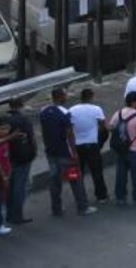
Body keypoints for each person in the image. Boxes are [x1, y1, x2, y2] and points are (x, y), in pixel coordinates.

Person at [40, 88, 95, 217]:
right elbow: (69, 134)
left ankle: (56, 208)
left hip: (51, 152)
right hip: (65, 154)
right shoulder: (65, 113)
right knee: (74, 179)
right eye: (65, 95)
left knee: (55, 181)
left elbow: (43, 132)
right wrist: (74, 153)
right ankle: (82, 207)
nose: (66, 97)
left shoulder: (44, 111)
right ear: (61, 97)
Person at [109, 91, 136, 206]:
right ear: (134, 102)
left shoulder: (118, 113)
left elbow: (111, 127)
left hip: (121, 150)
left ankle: (120, 197)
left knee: (121, 174)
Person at [69, 88, 109, 204]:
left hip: (77, 145)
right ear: (91, 97)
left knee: (77, 172)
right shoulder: (96, 109)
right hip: (92, 144)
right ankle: (101, 195)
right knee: (97, 172)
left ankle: (80, 197)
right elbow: (103, 127)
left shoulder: (72, 110)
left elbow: (69, 127)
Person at [5, 98, 36, 226]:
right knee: (20, 186)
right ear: (21, 105)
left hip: (8, 157)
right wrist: (34, 152)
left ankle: (8, 214)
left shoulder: (5, 119)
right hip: (23, 157)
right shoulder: (24, 120)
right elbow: (31, 138)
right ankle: (17, 215)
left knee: (11, 186)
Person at [0, 117, 16, 235]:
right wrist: (3, 177)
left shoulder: (3, 141)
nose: (6, 131)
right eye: (2, 128)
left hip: (4, 173)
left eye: (7, 128)